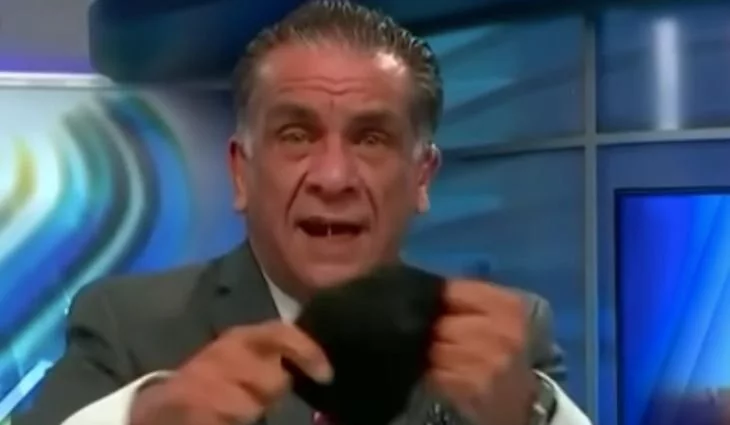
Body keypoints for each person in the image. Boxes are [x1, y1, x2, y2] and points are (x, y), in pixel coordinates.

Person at [12, 1, 592, 424]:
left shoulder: (505, 339)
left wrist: (529, 415)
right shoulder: (128, 328)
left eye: (371, 138)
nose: (333, 177)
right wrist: (148, 419)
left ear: (422, 177)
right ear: (241, 172)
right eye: (296, 135)